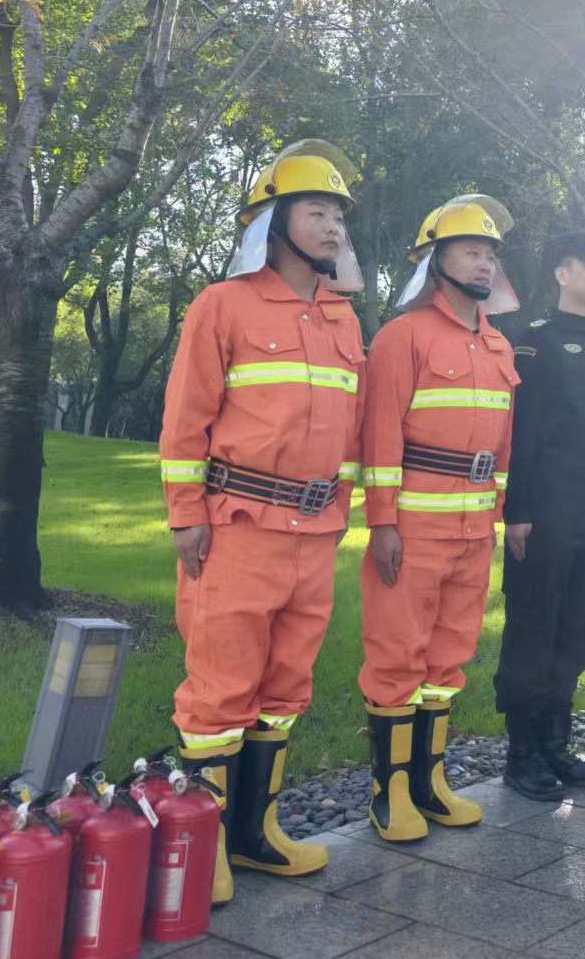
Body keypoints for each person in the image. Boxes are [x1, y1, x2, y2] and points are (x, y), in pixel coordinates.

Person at [158, 139, 365, 903]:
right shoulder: (223, 305)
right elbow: (185, 419)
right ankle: (202, 849)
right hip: (238, 525)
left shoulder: (344, 319)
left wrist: (341, 512)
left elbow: (350, 430)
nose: (333, 226)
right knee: (219, 689)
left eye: (339, 214)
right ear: (272, 223)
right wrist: (186, 515)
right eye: (317, 210)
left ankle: (255, 834)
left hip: (314, 535)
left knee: (285, 686)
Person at [357, 195, 521, 841]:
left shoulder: (499, 344)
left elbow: (502, 446)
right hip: (414, 528)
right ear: (435, 260)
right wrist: (383, 523)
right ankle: (390, 791)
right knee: (398, 655)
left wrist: (496, 516)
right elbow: (380, 435)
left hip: (474, 529)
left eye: (490, 254)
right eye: (471, 251)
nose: (484, 263)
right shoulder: (403, 336)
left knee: (448, 658)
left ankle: (431, 782)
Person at [493, 231, 585, 801]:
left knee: (580, 624)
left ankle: (555, 741)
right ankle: (522, 750)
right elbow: (521, 433)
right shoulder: (533, 344)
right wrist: (519, 509)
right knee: (536, 625)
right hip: (551, 505)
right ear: (562, 273)